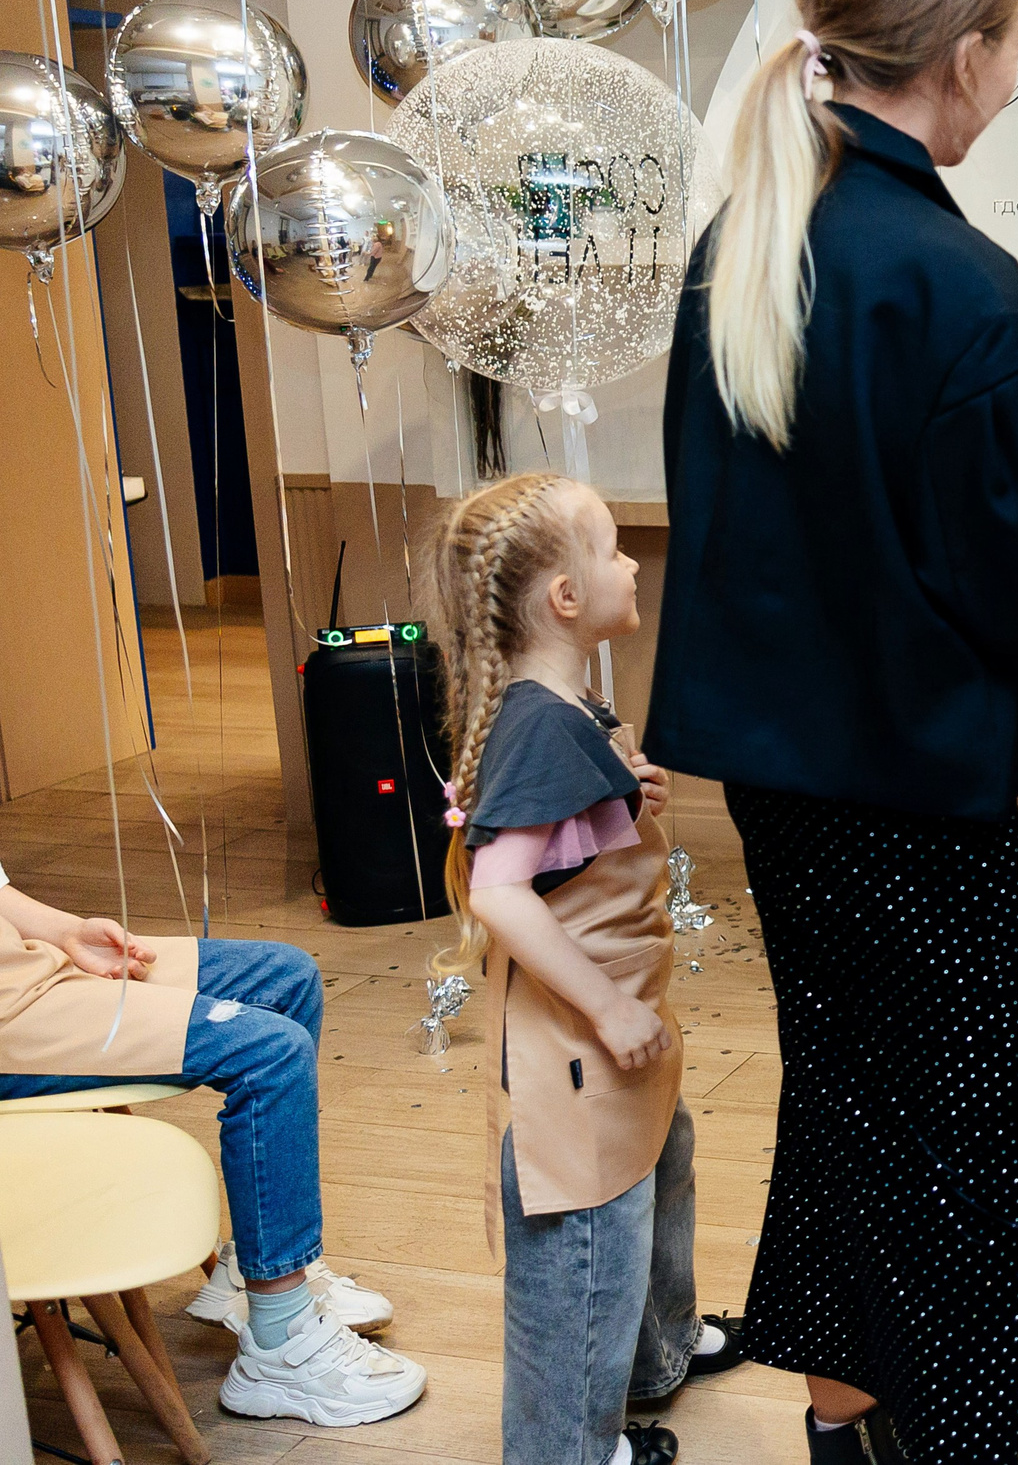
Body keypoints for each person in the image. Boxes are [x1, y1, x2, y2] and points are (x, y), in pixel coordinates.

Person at [647, 0, 1018, 1465]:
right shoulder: (952, 279)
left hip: (783, 787)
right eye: (1015, 48)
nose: (1017, 75)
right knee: (970, 1165)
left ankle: (847, 1430)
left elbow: (830, 502)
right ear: (957, 55)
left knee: (848, 1106)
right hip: (910, 808)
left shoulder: (751, 241)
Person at [426, 472, 741, 1465]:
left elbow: (567, 832)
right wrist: (605, 1008)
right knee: (586, 1244)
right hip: (575, 1042)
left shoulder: (571, 707)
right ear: (565, 599)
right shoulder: (542, 722)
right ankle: (570, 1448)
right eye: (611, 549)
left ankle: (657, 1357)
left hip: (616, 1026)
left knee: (663, 1159)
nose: (632, 560)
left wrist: (624, 791)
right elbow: (503, 889)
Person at [0, 877, 427, 1425]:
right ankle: (280, 1344)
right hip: (12, 1012)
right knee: (270, 1054)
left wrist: (67, 932)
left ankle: (264, 1267)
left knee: (287, 978)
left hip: (27, 961)